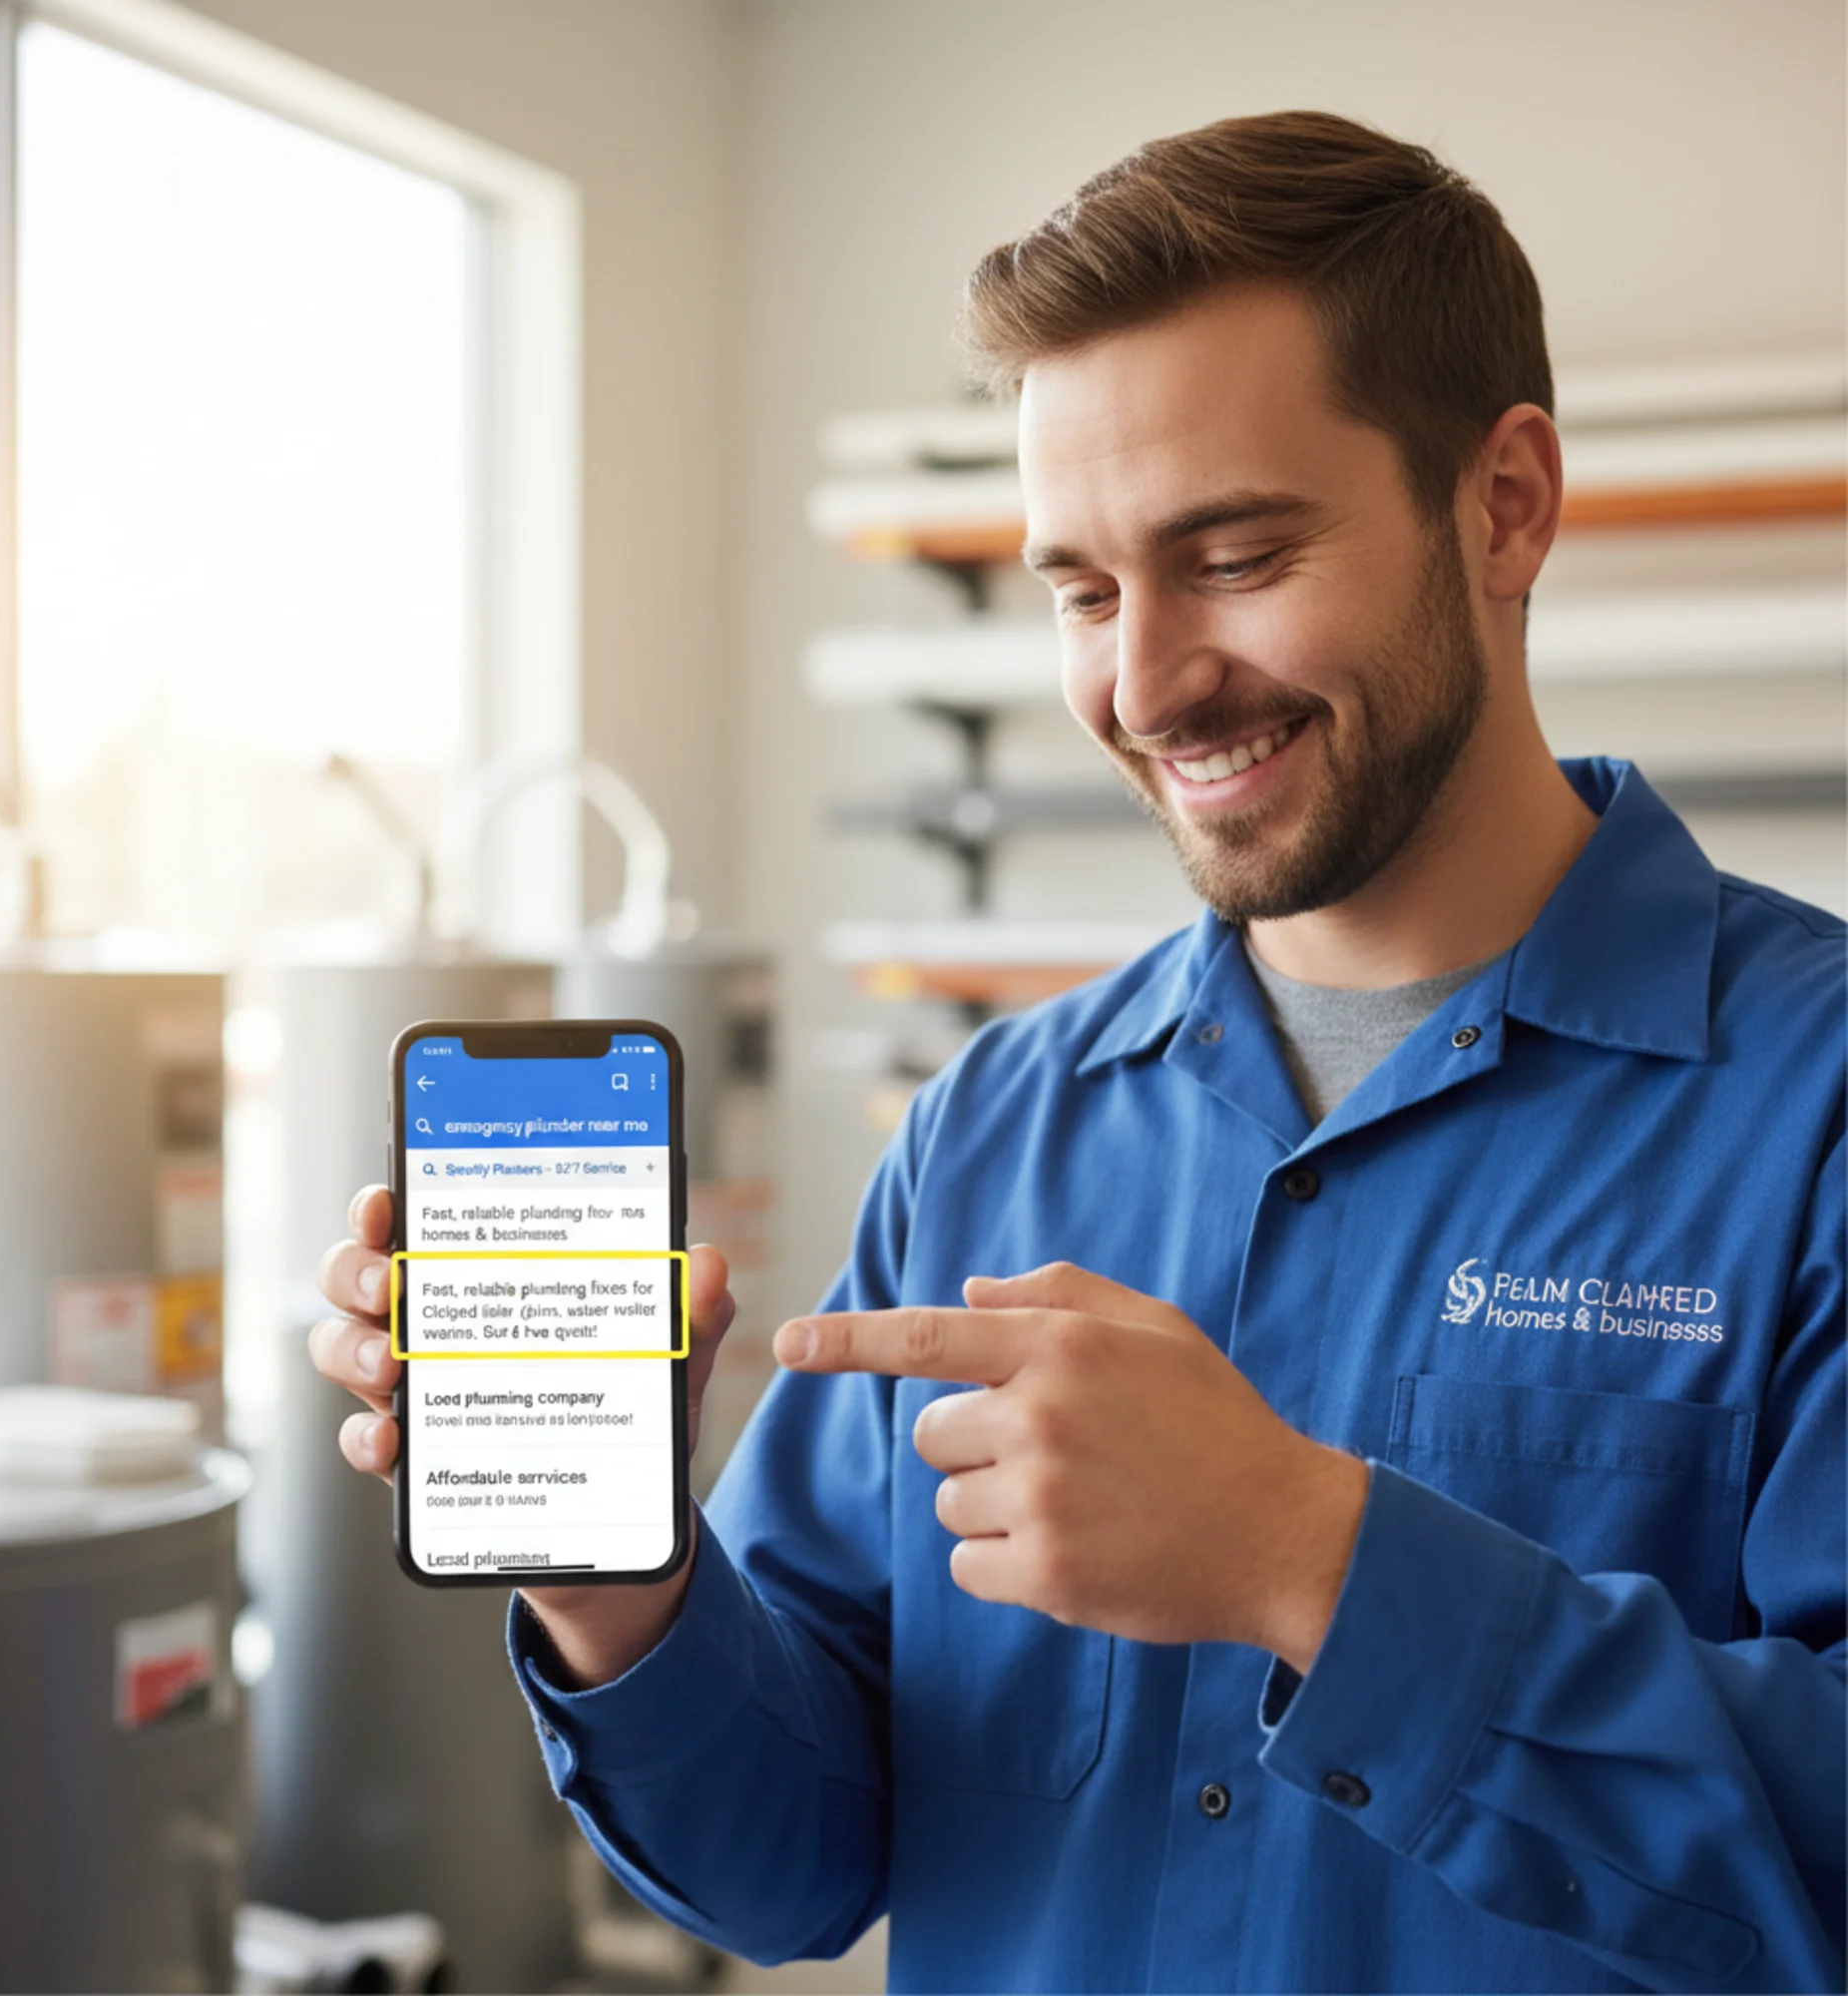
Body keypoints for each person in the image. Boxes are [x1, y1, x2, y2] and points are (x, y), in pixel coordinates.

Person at [310, 112, 1844, 1993]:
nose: (1142, 682)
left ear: (1506, 503)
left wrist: (1315, 1560)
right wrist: (622, 1587)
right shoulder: (997, 1128)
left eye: (1236, 554)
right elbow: (795, 1872)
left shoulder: (1818, 1112)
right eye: (1083, 589)